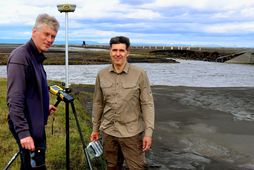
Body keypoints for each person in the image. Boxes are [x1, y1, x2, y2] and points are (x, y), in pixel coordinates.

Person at [90, 36, 155, 170]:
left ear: (127, 52)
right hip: (108, 131)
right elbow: (98, 103)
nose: (117, 54)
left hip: (131, 133)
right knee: (112, 166)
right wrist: (95, 128)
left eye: (121, 50)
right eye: (114, 50)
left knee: (136, 167)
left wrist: (148, 133)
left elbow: (147, 104)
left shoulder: (140, 74)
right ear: (110, 51)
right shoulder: (101, 74)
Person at [7, 13, 59, 169]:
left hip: (35, 126)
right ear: (34, 32)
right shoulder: (21, 57)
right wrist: (23, 133)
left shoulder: (37, 57)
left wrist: (44, 107)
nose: (50, 40)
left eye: (53, 36)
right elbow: (14, 99)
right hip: (28, 129)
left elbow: (32, 90)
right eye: (46, 34)